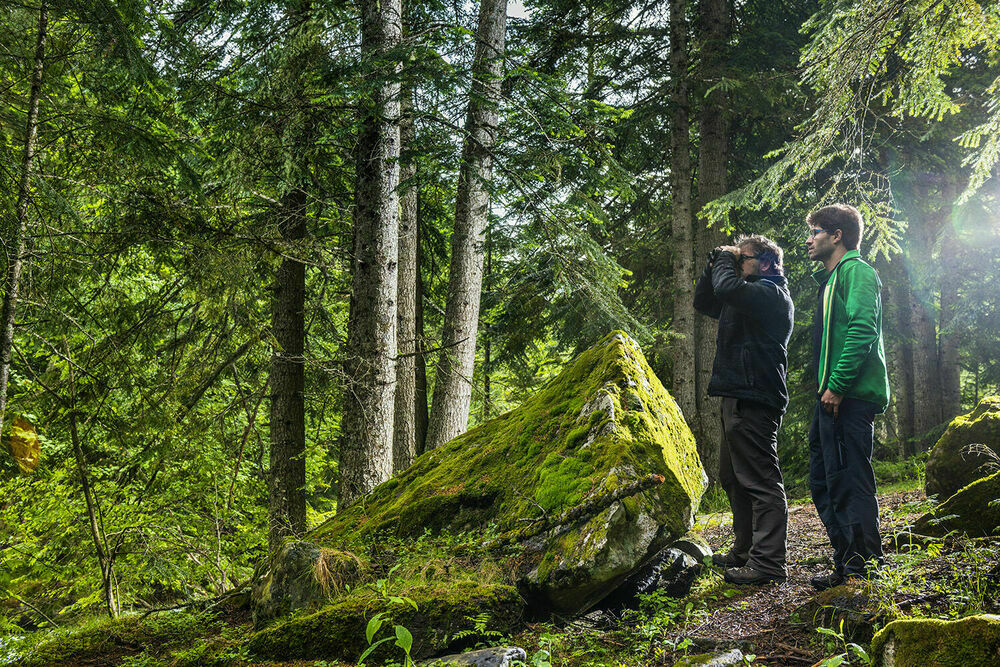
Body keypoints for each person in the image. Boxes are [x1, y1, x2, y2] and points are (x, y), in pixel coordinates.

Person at [694, 234, 794, 585]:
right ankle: (745, 551)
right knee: (733, 477)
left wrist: (725, 258)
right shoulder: (744, 296)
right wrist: (716, 261)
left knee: (760, 480)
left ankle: (768, 564)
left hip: (756, 396)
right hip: (737, 394)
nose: (735, 266)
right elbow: (705, 298)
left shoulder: (770, 295)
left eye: (743, 260)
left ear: (765, 263)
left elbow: (727, 289)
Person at [804, 204, 890, 591]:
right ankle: (846, 561)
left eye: (816, 231)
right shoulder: (833, 279)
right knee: (824, 479)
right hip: (832, 397)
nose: (810, 239)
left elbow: (863, 329)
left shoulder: (857, 272)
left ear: (837, 235)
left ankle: (864, 567)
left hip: (849, 395)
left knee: (850, 478)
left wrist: (837, 385)